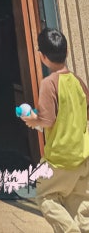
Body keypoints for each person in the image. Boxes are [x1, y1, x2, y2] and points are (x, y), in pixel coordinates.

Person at [21, 27, 89, 231]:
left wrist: (31, 119)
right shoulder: (78, 82)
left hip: (59, 158)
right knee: (79, 203)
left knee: (46, 197)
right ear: (66, 52)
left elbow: (46, 120)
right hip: (82, 156)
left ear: (42, 56)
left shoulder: (49, 84)